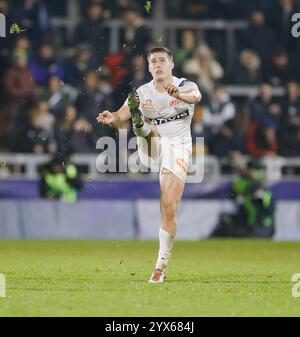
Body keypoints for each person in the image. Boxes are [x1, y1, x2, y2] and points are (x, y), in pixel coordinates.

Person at [97, 47, 201, 283]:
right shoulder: (142, 93)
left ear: (171, 65)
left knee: (169, 207)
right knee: (148, 130)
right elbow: (118, 116)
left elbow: (196, 98)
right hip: (152, 148)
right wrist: (111, 117)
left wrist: (179, 95)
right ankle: (141, 126)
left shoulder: (186, 85)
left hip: (177, 148)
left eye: (162, 60)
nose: (158, 65)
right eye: (153, 61)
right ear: (149, 67)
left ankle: (160, 266)